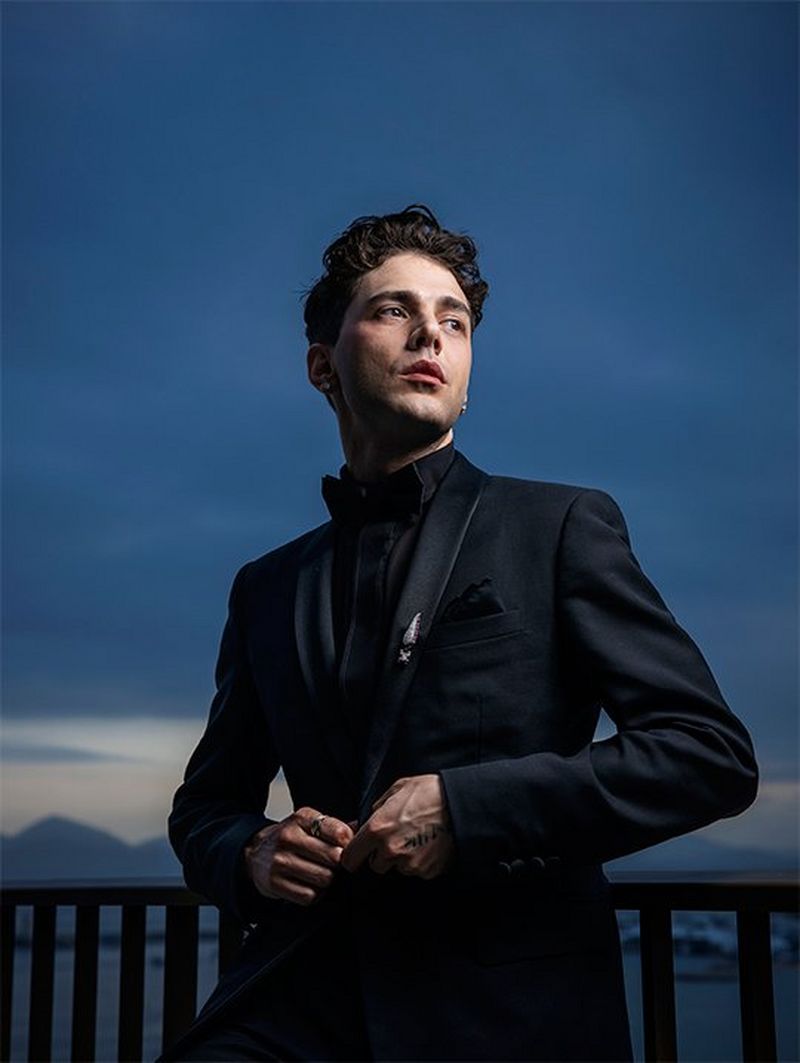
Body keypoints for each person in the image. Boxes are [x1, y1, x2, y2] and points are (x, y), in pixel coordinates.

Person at [162, 206, 758, 1062]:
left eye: (454, 321)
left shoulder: (559, 526)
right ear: (322, 366)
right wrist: (251, 851)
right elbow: (205, 806)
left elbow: (708, 754)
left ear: (468, 375)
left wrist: (468, 808)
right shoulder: (266, 586)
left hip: (501, 1015)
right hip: (290, 1006)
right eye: (393, 310)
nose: (429, 336)